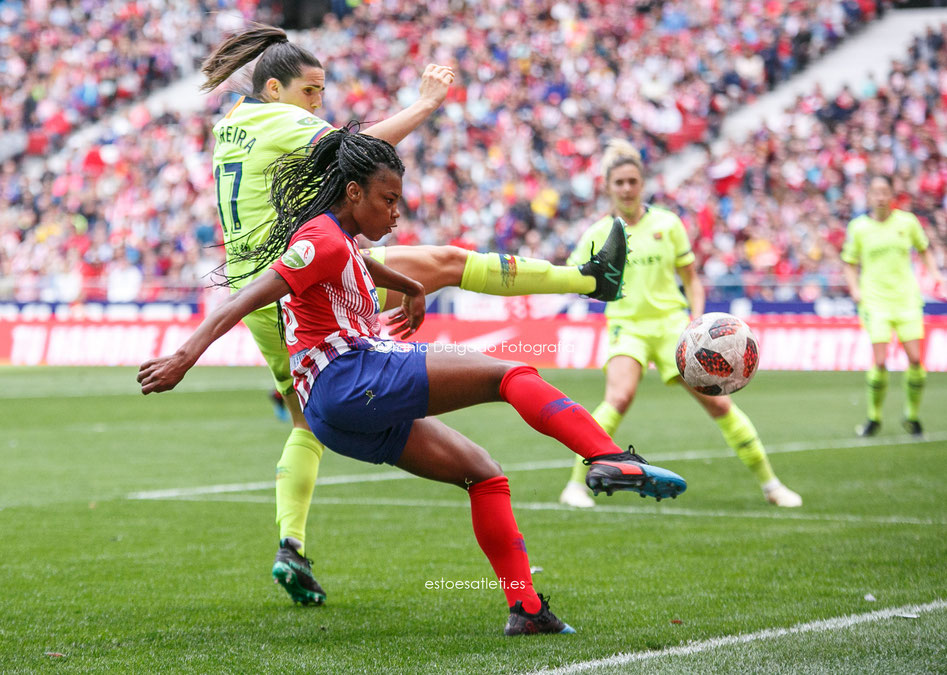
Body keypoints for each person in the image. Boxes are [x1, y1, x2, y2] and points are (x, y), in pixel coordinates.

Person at [138, 129, 686, 635]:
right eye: (388, 199)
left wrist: (410, 285)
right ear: (353, 193)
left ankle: (527, 609)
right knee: (512, 373)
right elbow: (245, 297)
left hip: (336, 417)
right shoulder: (320, 241)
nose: (397, 214)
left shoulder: (339, 236)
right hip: (351, 376)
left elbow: (359, 262)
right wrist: (183, 357)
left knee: (485, 475)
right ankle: (610, 457)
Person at [201, 24, 628, 606]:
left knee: (305, 422)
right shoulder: (277, 119)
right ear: (272, 87)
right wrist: (426, 102)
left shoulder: (231, 126)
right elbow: (354, 153)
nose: (317, 106)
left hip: (260, 295)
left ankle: (291, 544)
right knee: (450, 262)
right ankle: (589, 279)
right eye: (311, 92)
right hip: (308, 274)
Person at [557, 139, 802, 509]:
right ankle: (575, 485)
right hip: (628, 327)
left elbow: (691, 279)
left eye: (632, 182)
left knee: (720, 406)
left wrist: (696, 322)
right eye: (619, 182)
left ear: (642, 184)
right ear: (607, 187)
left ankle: (771, 485)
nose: (626, 188)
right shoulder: (596, 233)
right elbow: (578, 281)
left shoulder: (667, 224)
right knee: (617, 398)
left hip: (673, 326)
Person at [842, 175, 947, 438]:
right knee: (880, 362)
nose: (879, 196)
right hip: (875, 301)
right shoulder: (859, 227)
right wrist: (854, 288)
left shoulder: (907, 222)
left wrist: (935, 274)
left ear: (892, 195)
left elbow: (924, 249)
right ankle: (873, 417)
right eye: (875, 191)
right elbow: (849, 262)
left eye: (884, 191)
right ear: (868, 196)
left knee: (915, 359)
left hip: (907, 300)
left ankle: (912, 417)